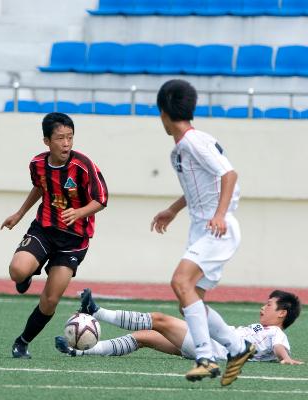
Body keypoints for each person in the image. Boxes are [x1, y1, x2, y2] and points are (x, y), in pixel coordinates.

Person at [149, 79, 249, 383]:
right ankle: (238, 346)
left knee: (180, 282)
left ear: (163, 112)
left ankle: (206, 357)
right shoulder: (179, 150)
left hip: (217, 228)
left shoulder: (194, 141)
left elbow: (228, 174)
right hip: (203, 228)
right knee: (190, 301)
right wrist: (173, 210)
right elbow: (198, 188)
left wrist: (219, 215)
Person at [0, 113, 108, 359]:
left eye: (70, 137)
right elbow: (40, 186)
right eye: (60, 138)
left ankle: (22, 342)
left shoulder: (83, 165)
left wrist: (79, 212)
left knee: (49, 300)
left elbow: (101, 199)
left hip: (73, 242)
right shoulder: (37, 164)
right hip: (44, 230)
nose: (66, 143)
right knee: (17, 271)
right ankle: (26, 275)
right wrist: (19, 214)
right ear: (47, 141)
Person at [55, 289, 303, 387]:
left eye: (269, 305)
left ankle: (96, 311)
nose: (263, 308)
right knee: (145, 337)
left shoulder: (276, 333)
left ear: (282, 313)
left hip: (213, 347)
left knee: (160, 320)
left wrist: (287, 359)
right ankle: (80, 351)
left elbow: (280, 348)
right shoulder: (262, 328)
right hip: (211, 342)